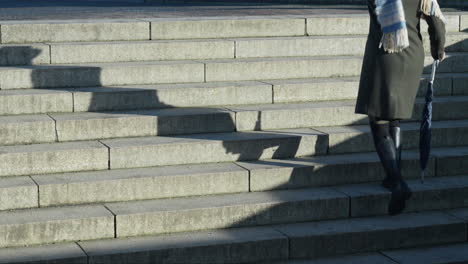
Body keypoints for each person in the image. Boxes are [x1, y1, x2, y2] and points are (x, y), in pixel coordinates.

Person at [355, 0, 446, 215]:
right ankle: (392, 176)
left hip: (386, 54)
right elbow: (435, 20)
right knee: (394, 118)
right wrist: (437, 48)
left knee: (379, 121)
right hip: (412, 55)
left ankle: (398, 183)